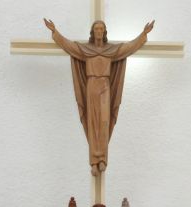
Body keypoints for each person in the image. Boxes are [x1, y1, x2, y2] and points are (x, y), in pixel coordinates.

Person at [43, 18, 154, 179]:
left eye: (102, 29)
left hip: (105, 86)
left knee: (103, 122)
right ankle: (94, 161)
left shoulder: (111, 50)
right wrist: (55, 32)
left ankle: (102, 159)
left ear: (105, 32)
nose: (99, 32)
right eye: (96, 29)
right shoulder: (85, 50)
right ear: (92, 32)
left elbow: (128, 48)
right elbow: (69, 46)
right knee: (92, 122)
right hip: (91, 86)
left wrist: (143, 34)